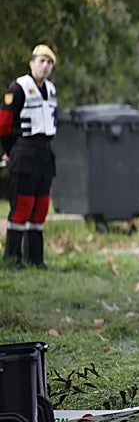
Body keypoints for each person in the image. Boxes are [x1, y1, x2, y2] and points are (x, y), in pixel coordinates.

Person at [0, 45, 59, 270]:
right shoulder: (18, 88)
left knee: (42, 205)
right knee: (23, 205)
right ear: (32, 63)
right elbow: (4, 123)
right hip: (24, 151)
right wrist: (10, 150)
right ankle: (13, 257)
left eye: (49, 62)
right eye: (41, 61)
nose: (45, 66)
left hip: (44, 153)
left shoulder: (51, 89)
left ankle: (36, 258)